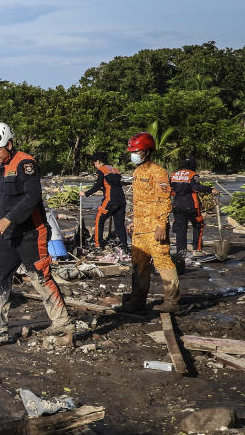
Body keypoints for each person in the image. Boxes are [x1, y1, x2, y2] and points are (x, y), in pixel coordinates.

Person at [0, 122, 74, 340]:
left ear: (9, 144)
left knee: (40, 277)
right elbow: (10, 196)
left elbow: (32, 197)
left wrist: (8, 218)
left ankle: (63, 323)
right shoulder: (4, 167)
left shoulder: (26, 163)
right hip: (9, 235)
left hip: (31, 233)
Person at [118, 132, 179, 313]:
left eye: (136, 151)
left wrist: (162, 224)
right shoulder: (137, 172)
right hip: (140, 228)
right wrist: (135, 222)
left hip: (155, 228)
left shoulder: (158, 172)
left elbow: (165, 199)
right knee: (138, 265)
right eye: (132, 151)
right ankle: (137, 301)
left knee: (162, 262)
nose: (134, 154)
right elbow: (141, 201)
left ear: (146, 151)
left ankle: (172, 301)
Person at [170, 157, 217, 268]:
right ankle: (197, 248)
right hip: (191, 206)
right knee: (198, 225)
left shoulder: (173, 175)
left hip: (176, 205)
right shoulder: (192, 174)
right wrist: (211, 190)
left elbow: (170, 189)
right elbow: (196, 187)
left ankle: (181, 252)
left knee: (181, 229)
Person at [80, 152, 127, 250]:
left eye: (94, 163)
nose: (95, 166)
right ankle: (124, 246)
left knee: (99, 220)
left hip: (110, 200)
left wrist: (85, 193)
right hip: (121, 201)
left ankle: (98, 245)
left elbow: (97, 186)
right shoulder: (115, 170)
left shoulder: (102, 171)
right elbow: (114, 184)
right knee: (119, 224)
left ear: (98, 161)